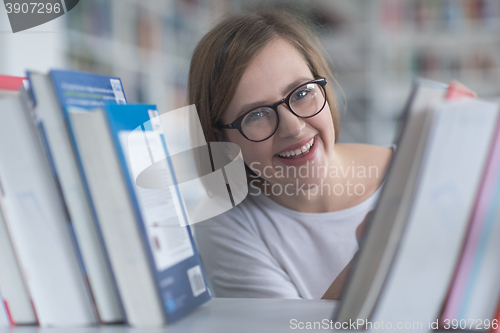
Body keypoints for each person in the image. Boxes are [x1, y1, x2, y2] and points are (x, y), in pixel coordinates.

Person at [188, 10, 393, 299]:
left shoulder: (415, 167)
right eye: (256, 114)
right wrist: (371, 260)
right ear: (221, 139)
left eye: (301, 93)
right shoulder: (227, 224)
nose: (294, 127)